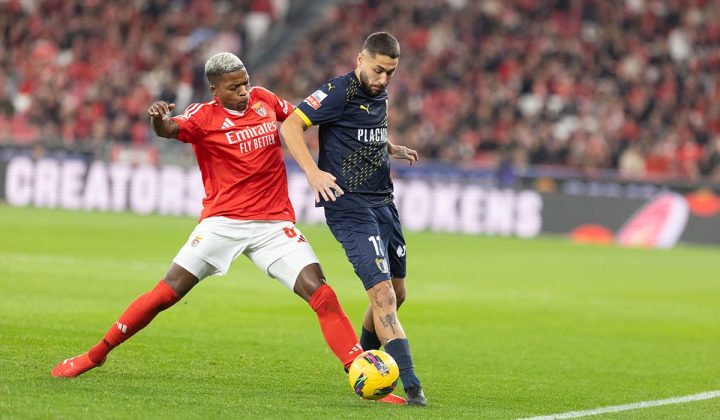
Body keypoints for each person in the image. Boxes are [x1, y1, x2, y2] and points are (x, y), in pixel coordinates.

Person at [50, 52, 365, 381]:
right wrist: (158, 119)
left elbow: (303, 119)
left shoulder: (265, 99)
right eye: (234, 87)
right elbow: (169, 129)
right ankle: (95, 355)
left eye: (245, 82)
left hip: (274, 224)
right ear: (215, 91)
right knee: (164, 294)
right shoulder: (203, 116)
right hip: (223, 223)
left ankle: (359, 372)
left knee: (321, 292)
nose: (244, 91)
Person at [280, 32, 427, 406]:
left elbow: (363, 129)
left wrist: (388, 146)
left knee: (399, 292)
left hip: (383, 201)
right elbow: (290, 126)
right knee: (382, 295)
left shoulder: (380, 93)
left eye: (390, 73)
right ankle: (412, 388)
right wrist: (313, 173)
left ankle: (361, 361)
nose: (383, 79)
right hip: (349, 205)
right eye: (377, 70)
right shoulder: (337, 91)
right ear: (360, 58)